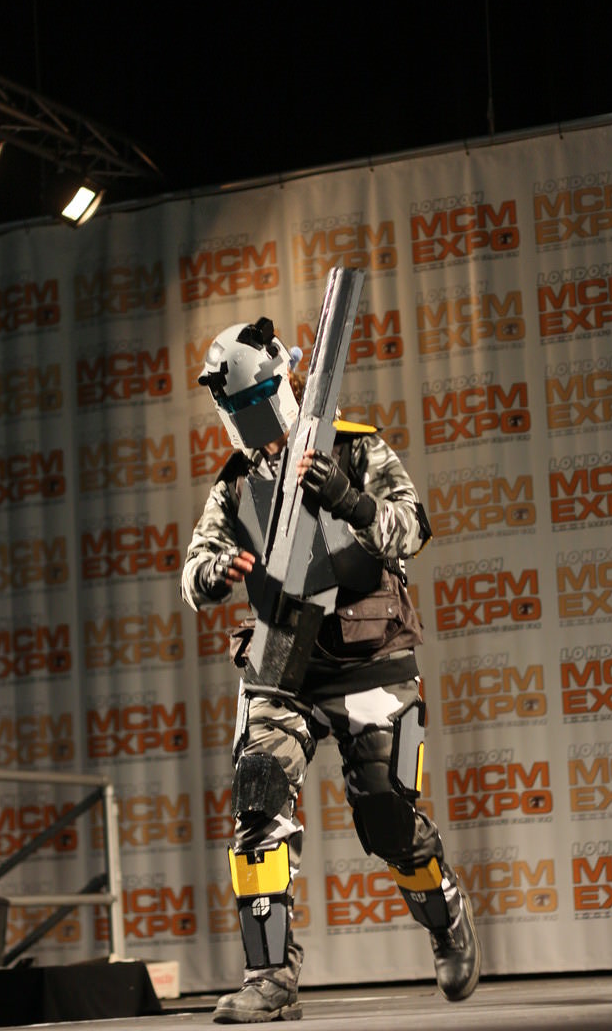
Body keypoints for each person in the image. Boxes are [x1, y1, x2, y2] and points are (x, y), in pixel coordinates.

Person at [181, 315, 480, 1024]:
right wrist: (214, 572)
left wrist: (351, 499)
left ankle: (444, 913)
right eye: (237, 408)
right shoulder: (235, 484)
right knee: (258, 804)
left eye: (258, 401)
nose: (250, 418)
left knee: (388, 813)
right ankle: (269, 978)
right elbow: (193, 572)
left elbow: (414, 526)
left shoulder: (355, 447)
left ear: (283, 386)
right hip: (282, 665)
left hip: (375, 659)